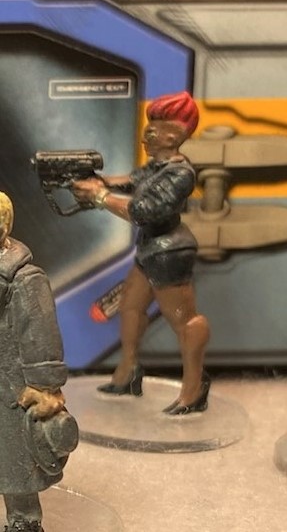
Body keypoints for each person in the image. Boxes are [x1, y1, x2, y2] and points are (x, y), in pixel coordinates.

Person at [72, 91, 211, 415]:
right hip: (150, 251)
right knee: (131, 309)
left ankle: (194, 389)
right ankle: (128, 372)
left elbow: (144, 211)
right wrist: (98, 182)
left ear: (173, 135)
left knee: (185, 321)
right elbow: (132, 181)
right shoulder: (159, 167)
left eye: (153, 130)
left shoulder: (180, 174)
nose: (145, 136)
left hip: (169, 252)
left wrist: (100, 196)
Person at [0, 192, 77, 532]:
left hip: (10, 387)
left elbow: (41, 335)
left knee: (15, 462)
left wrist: (45, 387)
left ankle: (24, 521)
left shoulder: (24, 279)